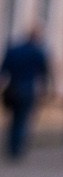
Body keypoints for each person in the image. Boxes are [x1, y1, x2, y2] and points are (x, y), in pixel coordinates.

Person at [1, 25, 51, 162]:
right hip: (27, 88)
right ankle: (17, 148)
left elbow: (4, 69)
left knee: (12, 118)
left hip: (11, 88)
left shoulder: (13, 50)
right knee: (22, 119)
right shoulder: (37, 52)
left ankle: (11, 146)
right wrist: (45, 90)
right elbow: (44, 72)